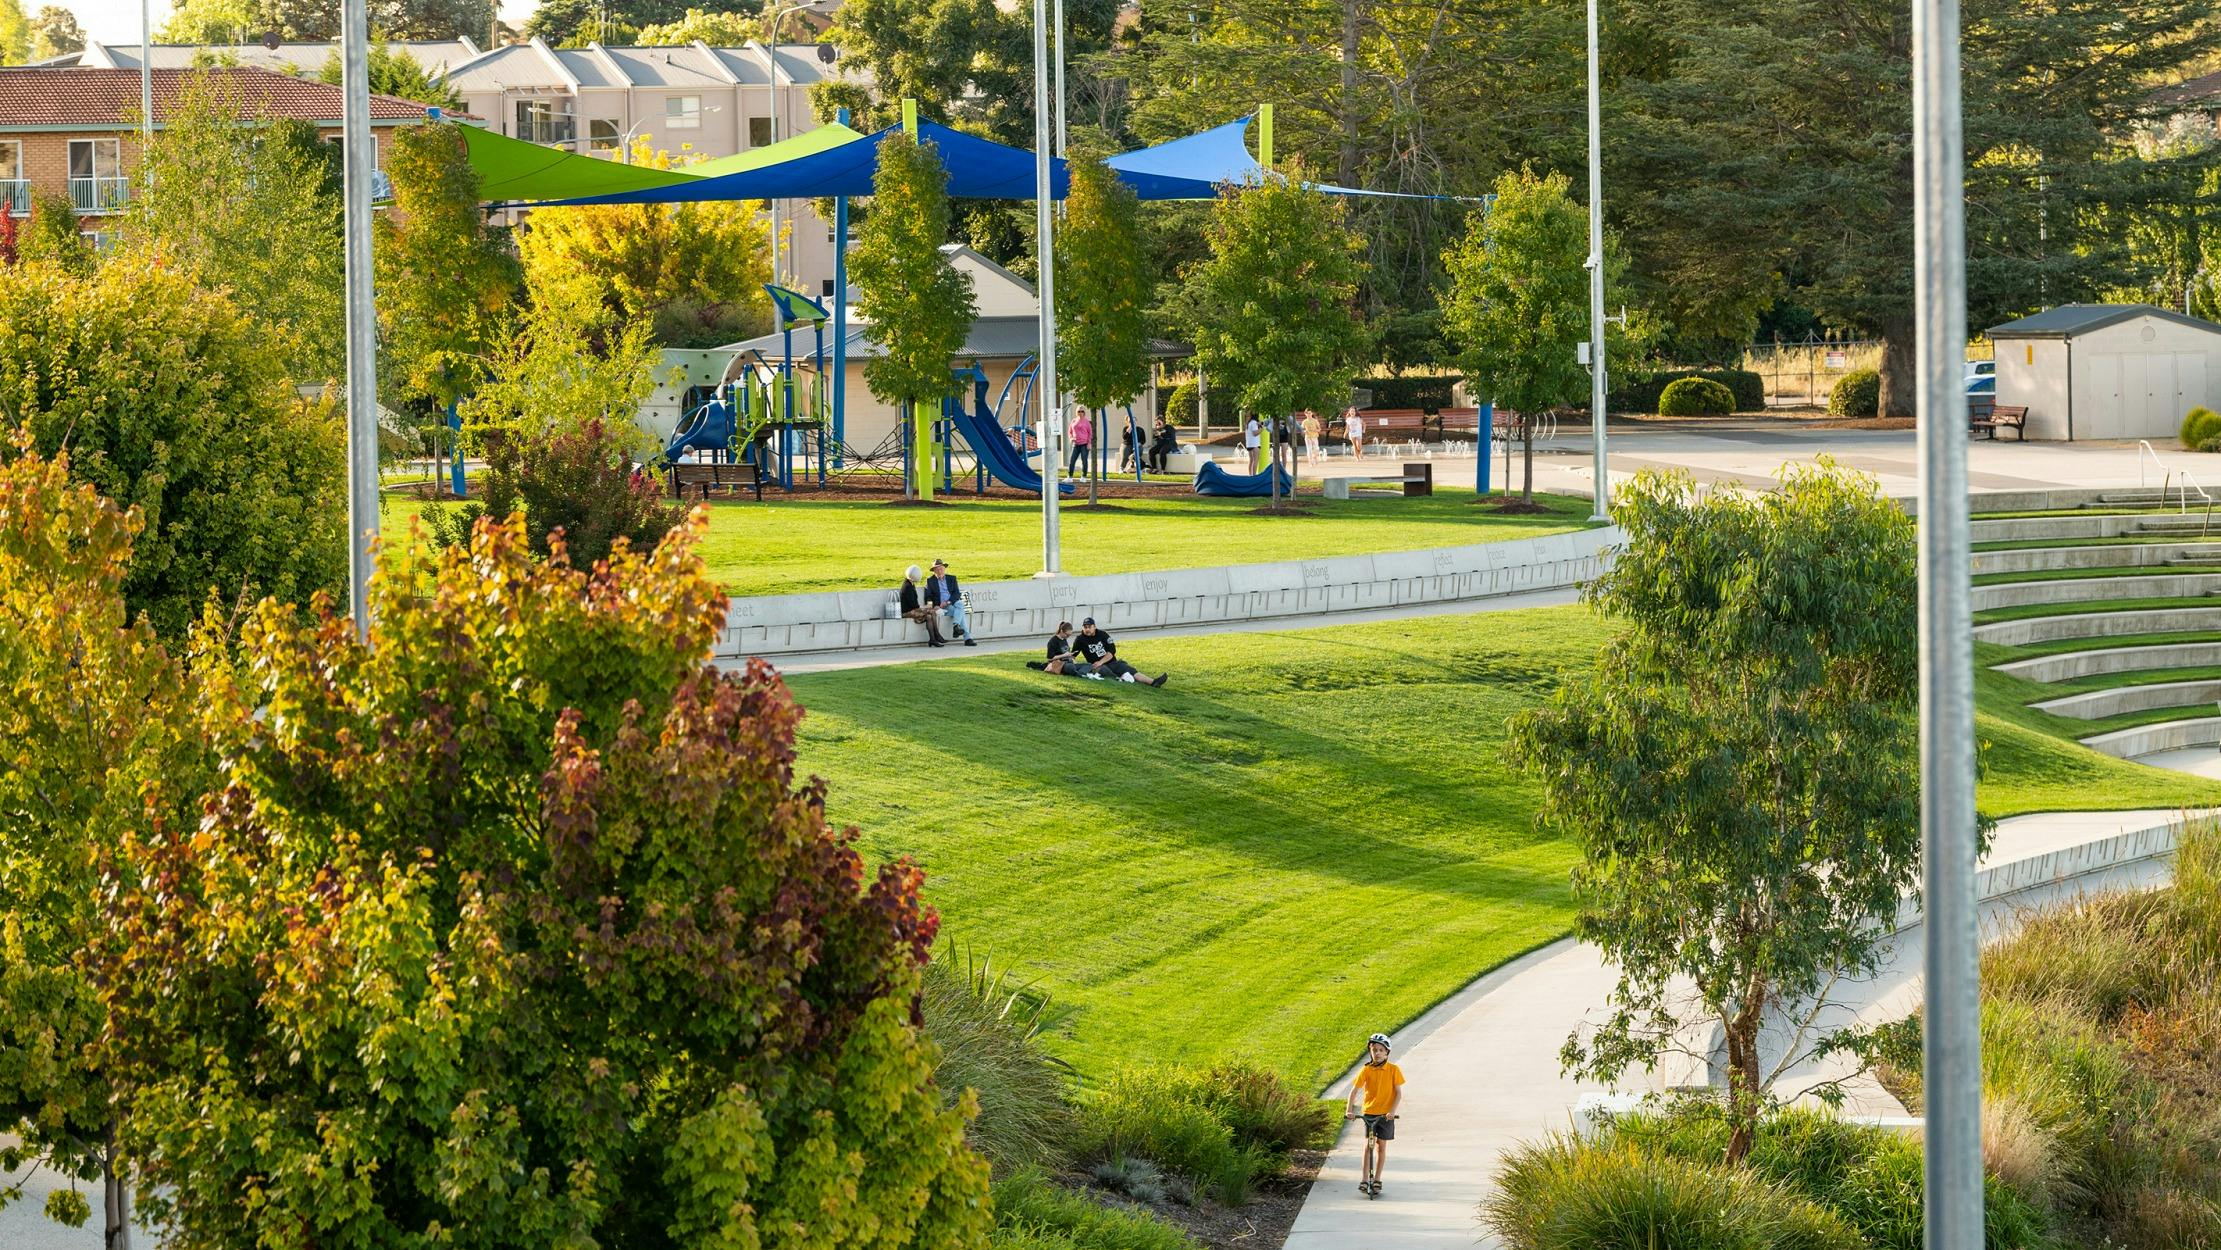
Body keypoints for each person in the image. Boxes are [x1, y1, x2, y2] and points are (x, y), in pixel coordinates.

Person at [1344, 1032, 1404, 1198]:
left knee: (1381, 1146)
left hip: (1386, 1115)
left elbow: (1398, 1093)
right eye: (1373, 1050)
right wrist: (1349, 1110)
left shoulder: (1393, 1070)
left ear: (1387, 1052)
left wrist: (1392, 1111)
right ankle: (1364, 1179)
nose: (1376, 1053)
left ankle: (1377, 1179)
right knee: (1368, 1145)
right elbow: (1354, 1091)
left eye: (1380, 1050)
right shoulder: (1366, 1070)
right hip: (1369, 1113)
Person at [1071, 617, 1168, 687]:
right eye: (1085, 627)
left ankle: (1153, 682)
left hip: (1111, 662)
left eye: (1089, 627)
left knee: (1130, 670)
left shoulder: (1103, 634)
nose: (1087, 629)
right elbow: (1073, 655)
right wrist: (1075, 667)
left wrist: (1101, 661)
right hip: (1097, 667)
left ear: (1094, 627)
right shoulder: (1080, 639)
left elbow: (1112, 651)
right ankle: (1123, 678)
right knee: (1109, 673)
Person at [922, 558, 975, 646]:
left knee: (960, 604)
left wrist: (948, 602)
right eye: (937, 569)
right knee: (960, 611)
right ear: (934, 571)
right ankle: (967, 637)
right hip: (941, 607)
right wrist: (934, 606)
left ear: (944, 568)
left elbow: (957, 593)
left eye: (941, 568)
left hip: (951, 603)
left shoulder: (952, 578)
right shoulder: (930, 581)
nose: (940, 571)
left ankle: (956, 626)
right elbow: (928, 597)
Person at [1027, 621, 1103, 678]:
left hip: (1068, 662)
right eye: (1067, 635)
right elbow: (1050, 658)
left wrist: (1071, 657)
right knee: (1071, 667)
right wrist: (1064, 655)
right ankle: (1079, 673)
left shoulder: (1064, 639)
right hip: (1059, 664)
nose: (1068, 637)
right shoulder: (1053, 641)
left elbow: (1066, 652)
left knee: (1088, 665)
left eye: (1070, 635)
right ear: (1062, 631)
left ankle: (1079, 674)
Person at [898, 565, 946, 648]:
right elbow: (914, 605)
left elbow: (914, 605)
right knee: (930, 613)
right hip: (907, 612)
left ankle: (933, 639)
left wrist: (924, 607)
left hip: (913, 610)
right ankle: (936, 636)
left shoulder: (911, 584)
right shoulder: (907, 586)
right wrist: (924, 607)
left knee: (929, 615)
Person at [1068, 407, 1094, 477]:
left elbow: (1090, 433)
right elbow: (1070, 431)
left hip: (1084, 444)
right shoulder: (1073, 421)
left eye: (1082, 411)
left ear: (1084, 412)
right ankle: (1070, 476)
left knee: (1084, 461)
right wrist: (1071, 438)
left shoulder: (1087, 422)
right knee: (1072, 461)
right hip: (1075, 444)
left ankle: (1084, 476)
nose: (1080, 413)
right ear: (1077, 412)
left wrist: (1089, 443)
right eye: (1079, 411)